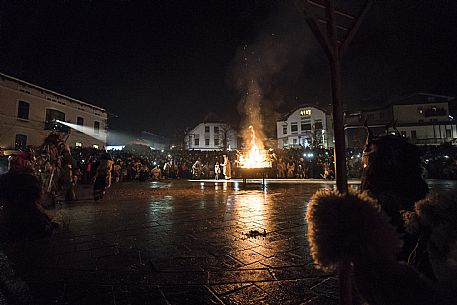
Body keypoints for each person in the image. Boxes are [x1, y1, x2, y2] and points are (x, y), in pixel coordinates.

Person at [0, 153, 55, 240]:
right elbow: (39, 198)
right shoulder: (30, 180)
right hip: (30, 221)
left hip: (8, 221)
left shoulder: (2, 179)